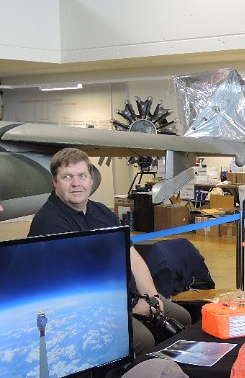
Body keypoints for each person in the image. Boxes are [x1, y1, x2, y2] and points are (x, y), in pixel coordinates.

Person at [28, 148, 192, 353]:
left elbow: (132, 257)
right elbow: (83, 285)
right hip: (88, 305)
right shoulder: (49, 223)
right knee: (143, 340)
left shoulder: (101, 212)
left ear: (91, 179)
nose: (76, 183)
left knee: (182, 318)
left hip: (124, 295)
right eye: (67, 177)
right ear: (55, 181)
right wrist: (132, 305)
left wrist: (152, 296)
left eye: (82, 176)